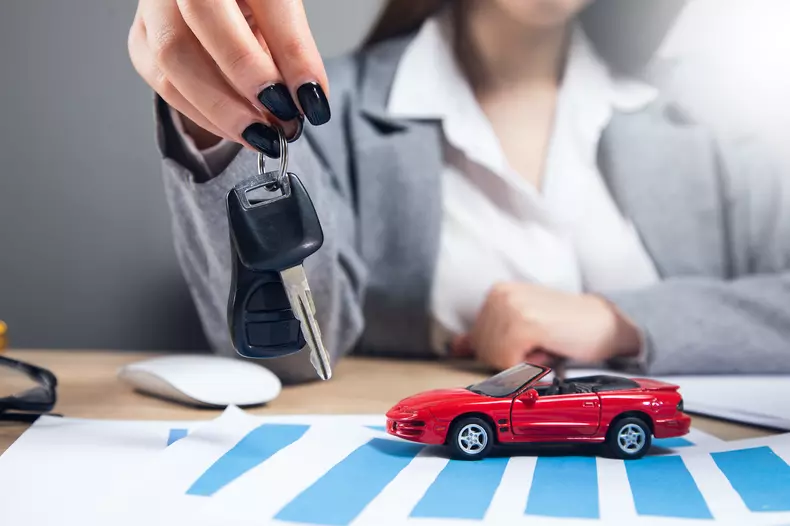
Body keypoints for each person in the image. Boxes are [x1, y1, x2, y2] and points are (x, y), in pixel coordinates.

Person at [128, 0, 790, 384]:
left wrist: (620, 320)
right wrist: (215, 111)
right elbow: (294, 355)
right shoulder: (331, 106)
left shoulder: (715, 109)